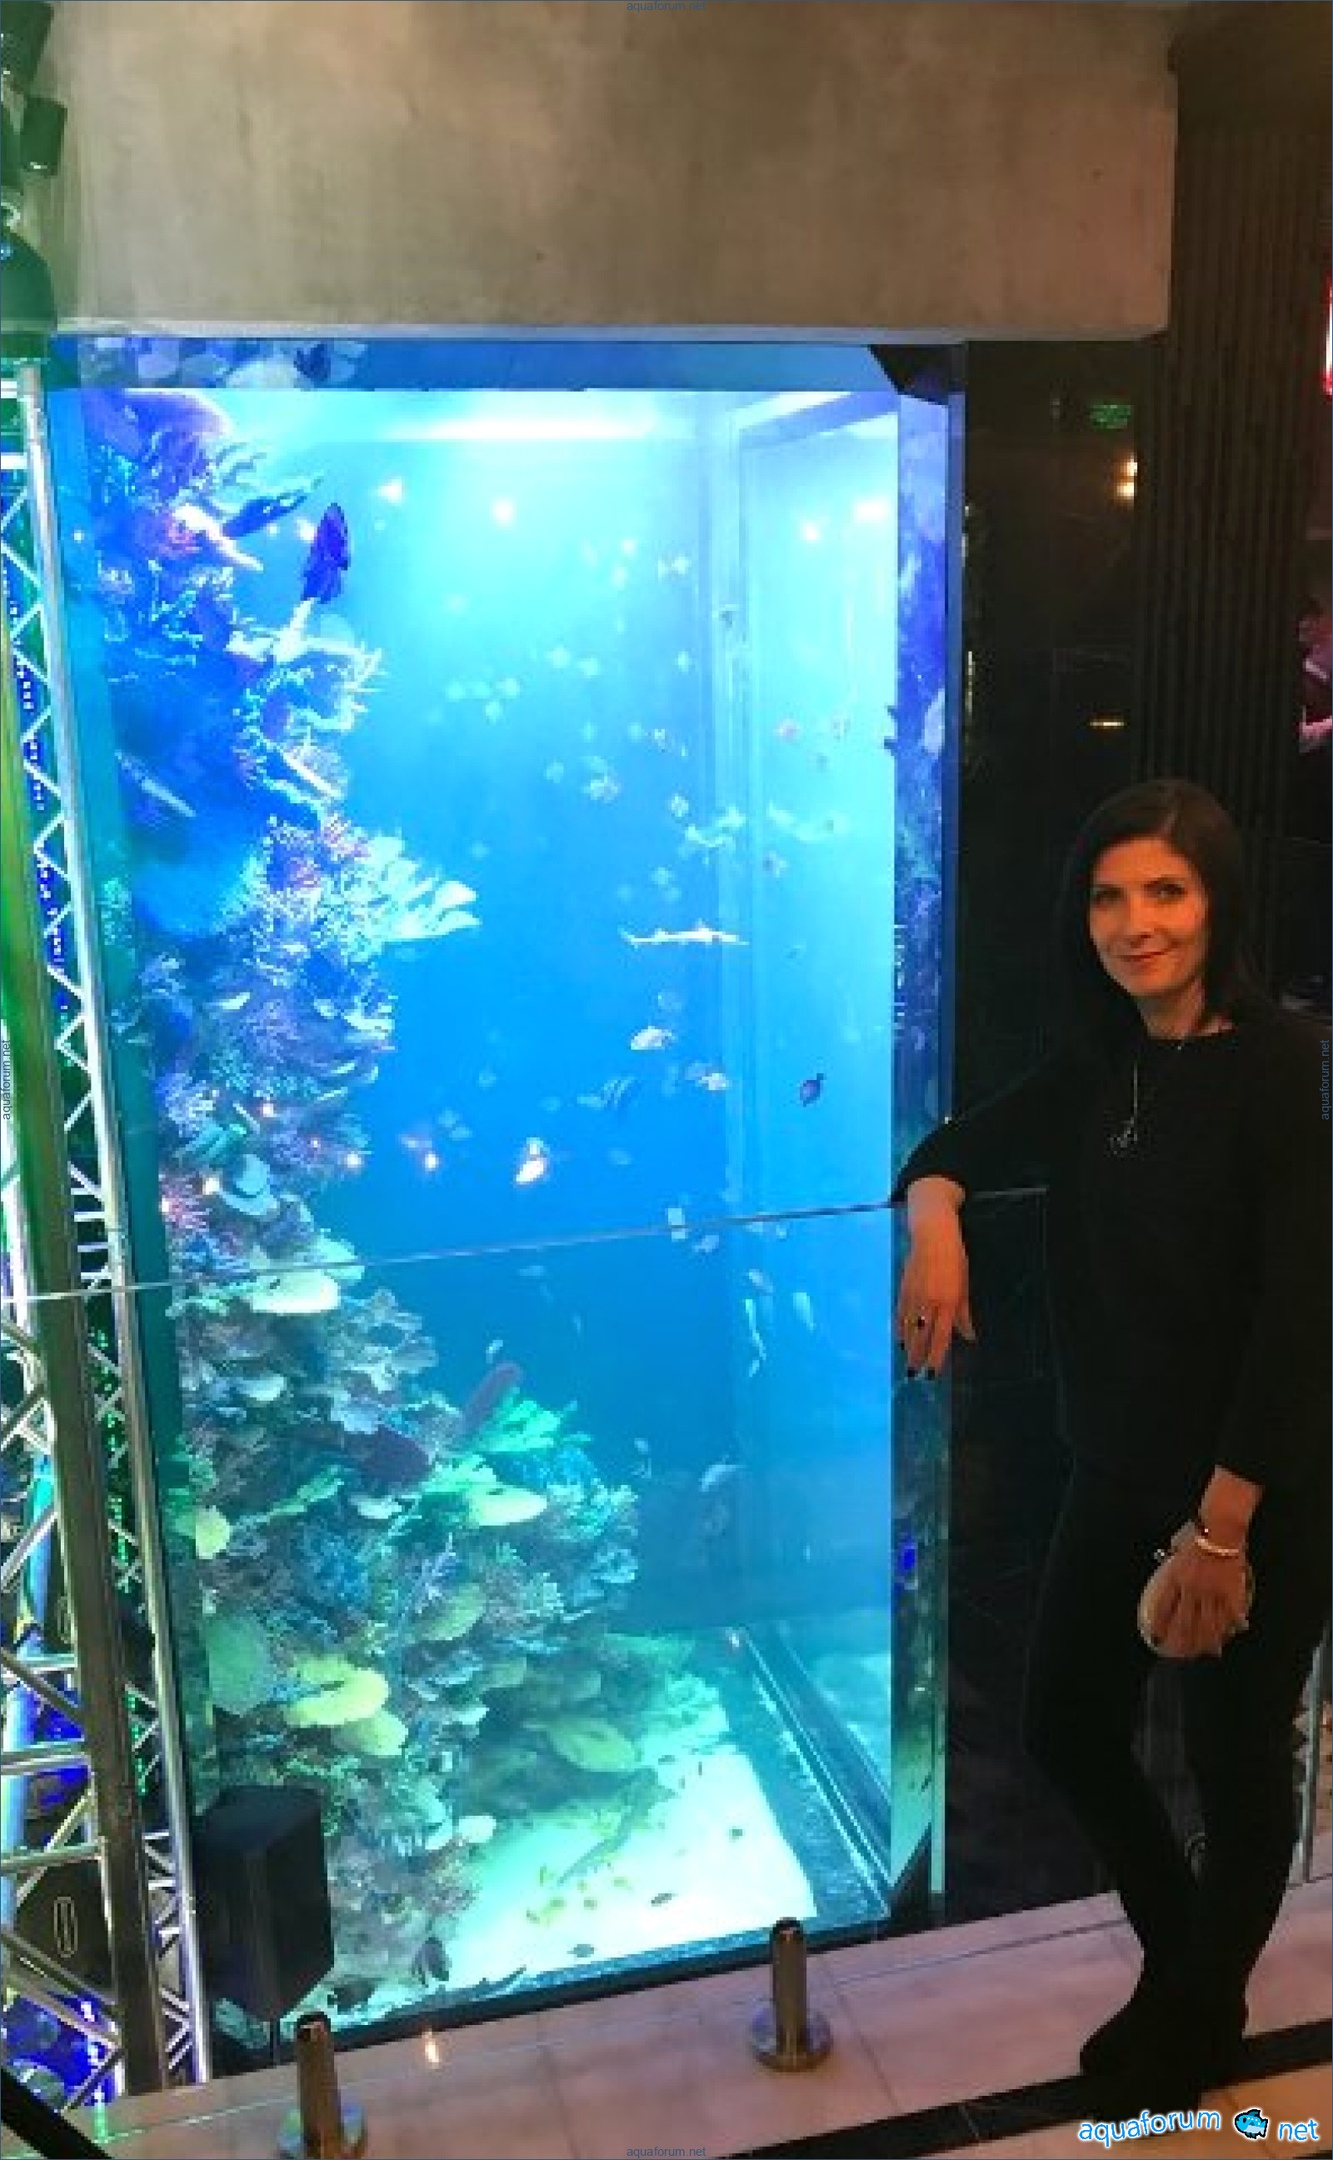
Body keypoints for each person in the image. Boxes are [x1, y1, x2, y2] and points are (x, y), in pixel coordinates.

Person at [890, 778, 1331, 2115]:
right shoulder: (1103, 1058)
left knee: (1235, 1757)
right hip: (1120, 1469)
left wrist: (1222, 1530)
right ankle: (1188, 1964)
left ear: (1217, 904)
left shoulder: (1278, 1066)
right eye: (1108, 896)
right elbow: (955, 1144)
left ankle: (1196, 2009)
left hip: (1257, 1486)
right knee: (1065, 1723)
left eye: (1166, 893)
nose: (1135, 924)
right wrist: (937, 1222)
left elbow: (1299, 1317)